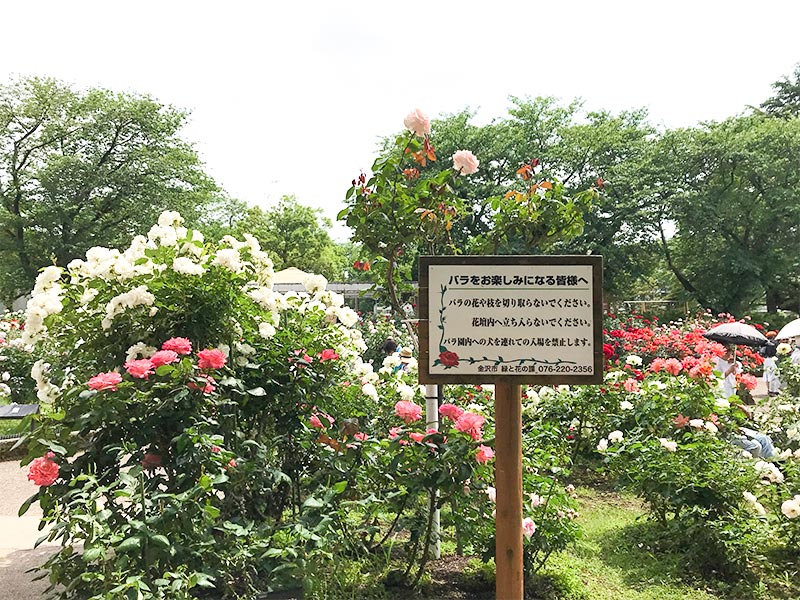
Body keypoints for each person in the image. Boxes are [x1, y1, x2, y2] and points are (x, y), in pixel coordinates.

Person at [760, 331, 781, 396]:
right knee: (774, 375)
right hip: (772, 359)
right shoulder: (774, 343)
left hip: (766, 360)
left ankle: (769, 390)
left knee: (767, 375)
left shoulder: (764, 343)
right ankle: (773, 390)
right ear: (773, 336)